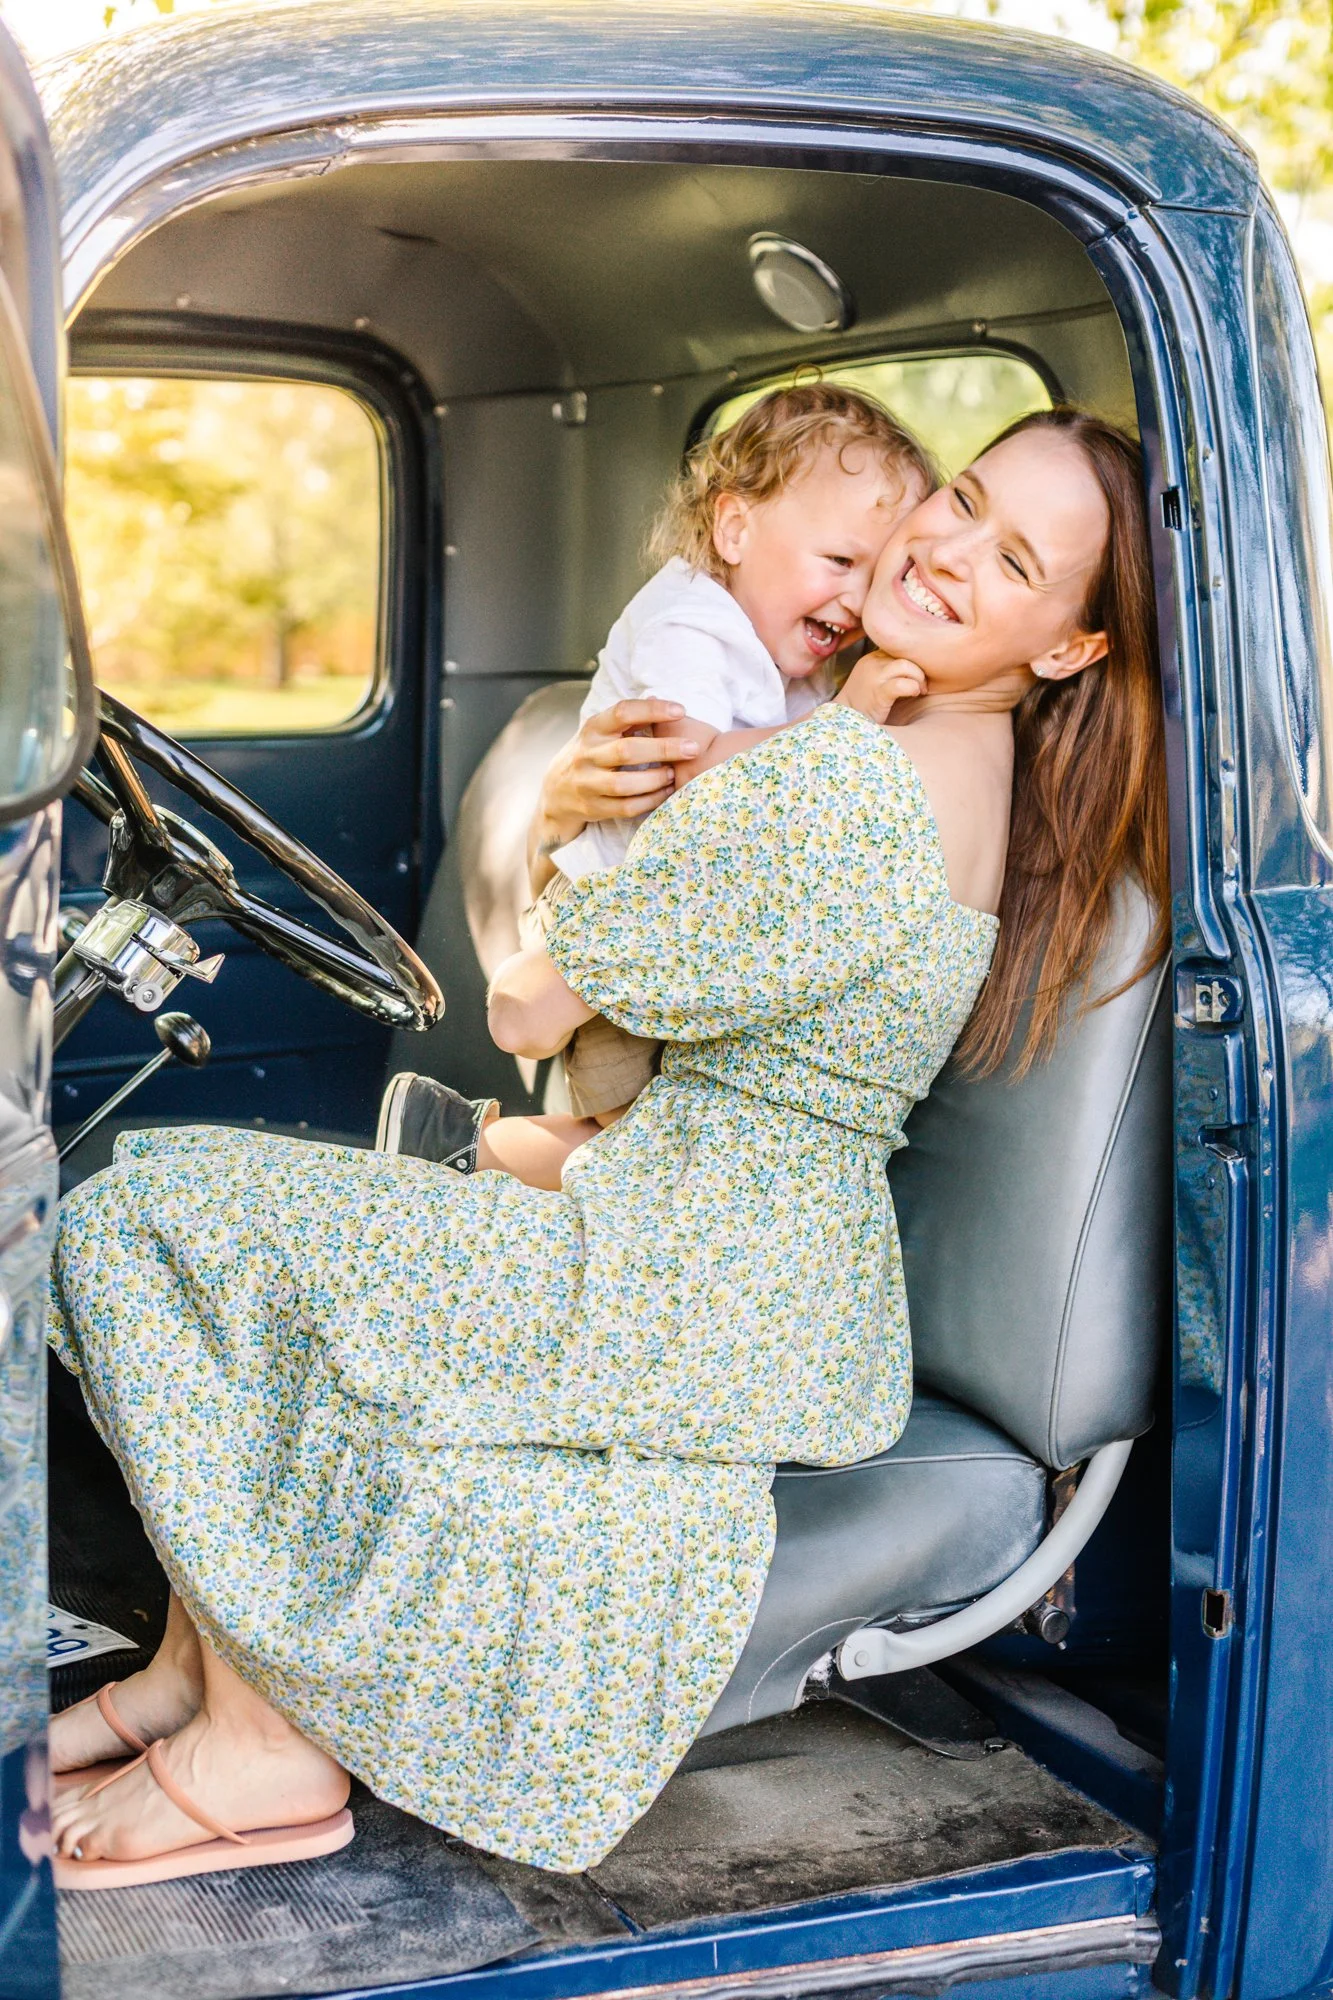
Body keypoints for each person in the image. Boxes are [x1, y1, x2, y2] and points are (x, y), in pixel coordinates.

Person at [42, 407, 1166, 1890]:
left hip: (691, 1280)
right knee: (235, 1229)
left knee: (141, 1226)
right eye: (958, 499)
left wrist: (590, 828)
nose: (944, 545)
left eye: (1011, 558)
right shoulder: (908, 751)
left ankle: (264, 1741)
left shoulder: (857, 783)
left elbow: (536, 1000)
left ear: (1071, 649)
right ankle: (207, 1675)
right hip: (709, 1249)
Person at [378, 382, 934, 1183]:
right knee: (635, 1132)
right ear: (735, 527)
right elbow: (686, 763)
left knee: (674, 1133)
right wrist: (847, 718)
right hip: (615, 914)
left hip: (677, 921)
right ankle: (454, 1150)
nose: (854, 596)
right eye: (839, 561)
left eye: (875, 571)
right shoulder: (690, 621)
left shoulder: (794, 655)